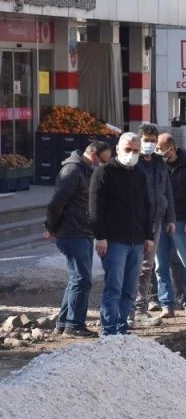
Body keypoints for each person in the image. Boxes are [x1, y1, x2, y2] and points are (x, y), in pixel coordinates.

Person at [89, 132, 155, 336]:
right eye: (128, 150)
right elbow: (95, 206)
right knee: (114, 285)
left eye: (136, 150)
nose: (132, 154)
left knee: (129, 288)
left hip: (136, 240)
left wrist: (148, 235)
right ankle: (109, 329)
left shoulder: (140, 174)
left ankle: (122, 325)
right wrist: (100, 236)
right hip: (113, 240)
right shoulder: (104, 172)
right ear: (117, 149)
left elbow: (146, 206)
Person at [44, 141, 111, 337]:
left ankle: (64, 323)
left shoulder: (86, 171)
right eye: (102, 161)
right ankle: (74, 325)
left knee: (77, 279)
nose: (102, 165)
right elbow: (56, 203)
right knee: (82, 279)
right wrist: (51, 227)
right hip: (71, 232)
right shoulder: (73, 171)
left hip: (82, 231)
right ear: (92, 155)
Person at [153, 133, 186, 317]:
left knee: (185, 262)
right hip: (160, 221)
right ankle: (167, 304)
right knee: (161, 264)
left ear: (171, 148)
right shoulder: (157, 165)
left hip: (181, 221)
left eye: (159, 148)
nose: (157, 151)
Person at [132, 123, 175, 327]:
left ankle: (141, 308)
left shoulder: (159, 163)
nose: (149, 144)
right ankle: (129, 308)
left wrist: (170, 218)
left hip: (157, 220)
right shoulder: (132, 162)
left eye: (152, 141)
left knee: (148, 266)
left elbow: (167, 191)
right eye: (146, 140)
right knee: (134, 265)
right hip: (137, 221)